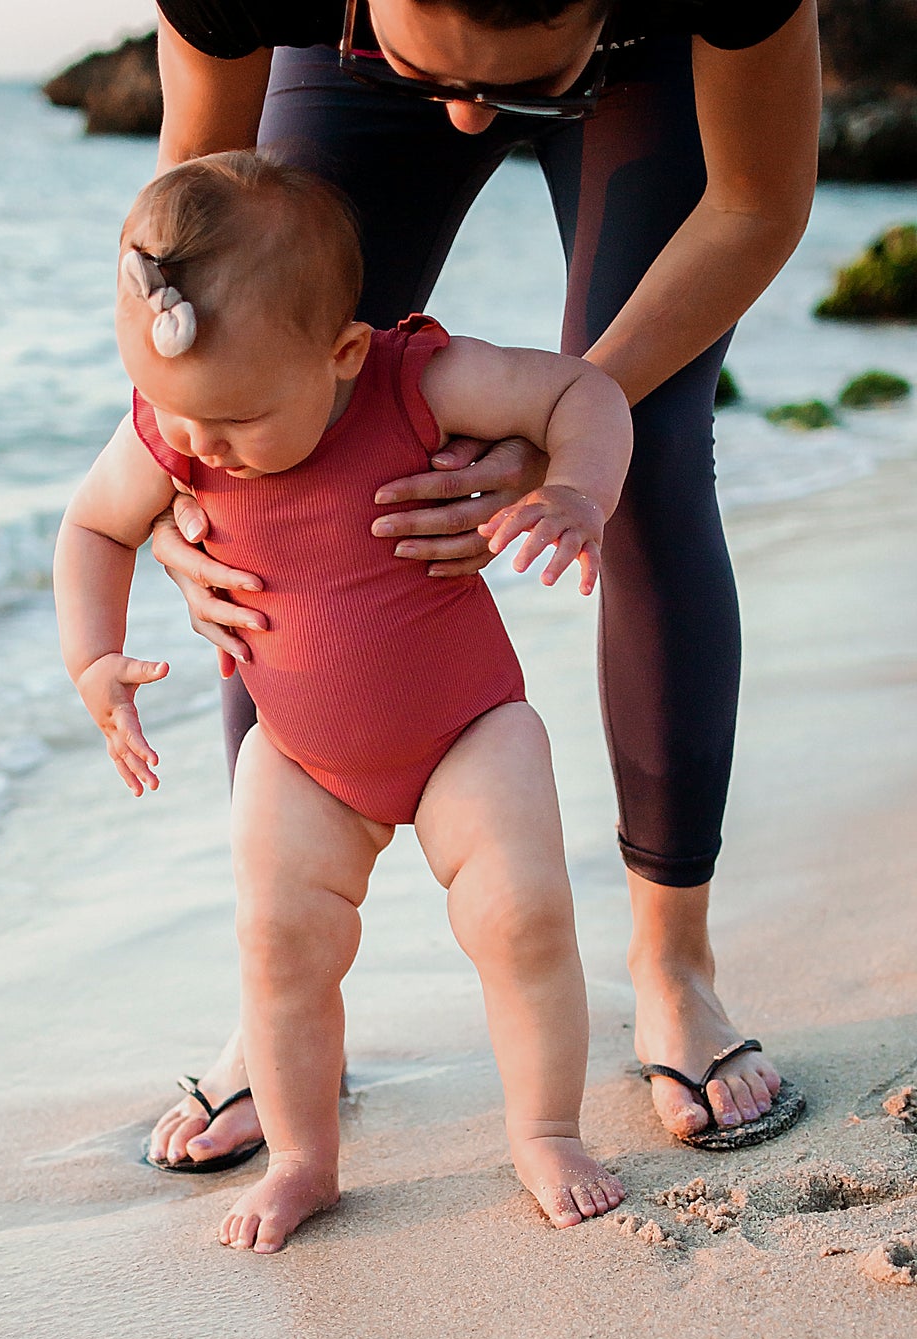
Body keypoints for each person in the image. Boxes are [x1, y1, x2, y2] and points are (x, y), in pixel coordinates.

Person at [143, 0, 818, 1171]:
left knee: (647, 455)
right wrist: (182, 478)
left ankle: (674, 964)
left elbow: (756, 203)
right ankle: (280, 1000)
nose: (465, 120)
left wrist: (567, 430)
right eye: (423, 71)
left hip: (646, 67)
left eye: (522, 86)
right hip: (377, 60)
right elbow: (183, 257)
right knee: (275, 432)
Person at [55, 152, 634, 1248]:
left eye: (234, 419)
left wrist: (574, 490)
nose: (196, 446)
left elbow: (583, 393)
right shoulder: (176, 426)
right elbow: (92, 527)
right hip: (302, 755)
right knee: (278, 944)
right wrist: (95, 660)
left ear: (342, 355)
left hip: (469, 730)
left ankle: (546, 1131)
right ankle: (303, 1161)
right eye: (175, 414)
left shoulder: (415, 382)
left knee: (519, 917)